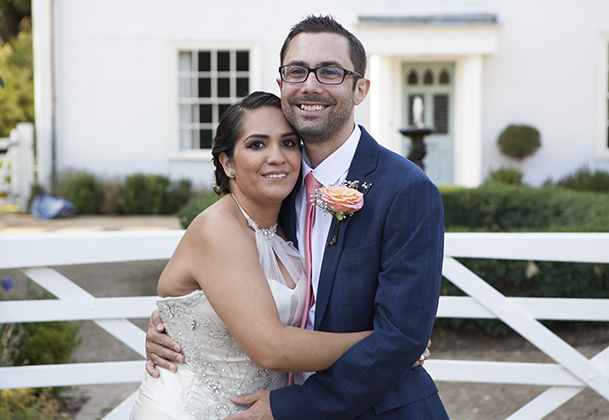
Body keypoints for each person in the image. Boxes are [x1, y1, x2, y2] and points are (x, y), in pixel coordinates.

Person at [147, 15, 447, 420]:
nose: (310, 85)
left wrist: (295, 406)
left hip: (377, 409)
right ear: (282, 84)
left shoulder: (407, 190)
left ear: (360, 89)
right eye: (297, 71)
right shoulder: (275, 189)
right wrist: (174, 328)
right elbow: (224, 287)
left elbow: (403, 336)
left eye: (330, 72)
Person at [130, 91, 376, 419]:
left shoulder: (290, 225)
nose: (276, 156)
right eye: (257, 144)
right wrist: (383, 345)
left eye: (288, 143)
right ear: (227, 163)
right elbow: (271, 347)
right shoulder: (218, 230)